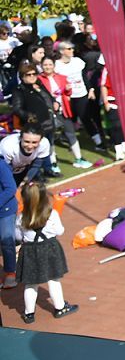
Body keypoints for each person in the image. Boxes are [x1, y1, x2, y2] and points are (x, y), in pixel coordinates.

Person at [16, 181, 78, 323]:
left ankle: (28, 314)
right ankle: (60, 307)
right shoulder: (52, 214)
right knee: (53, 279)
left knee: (30, 283)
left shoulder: (21, 217)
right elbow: (60, 231)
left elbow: (20, 237)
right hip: (49, 249)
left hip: (30, 251)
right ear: (44, 197)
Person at [39, 57, 91, 170]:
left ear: (54, 66)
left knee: (70, 133)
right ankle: (53, 163)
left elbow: (68, 92)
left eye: (50, 64)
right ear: (42, 66)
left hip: (64, 110)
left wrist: (68, 89)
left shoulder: (61, 77)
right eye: (45, 65)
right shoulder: (39, 80)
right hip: (48, 113)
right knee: (50, 137)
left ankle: (79, 158)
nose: (48, 67)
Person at [9, 61, 58, 176]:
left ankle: (48, 169)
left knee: (48, 146)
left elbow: (49, 97)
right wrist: (30, 117)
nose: (32, 77)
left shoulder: (38, 85)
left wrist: (55, 102)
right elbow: (17, 108)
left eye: (34, 74)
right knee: (33, 150)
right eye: (28, 75)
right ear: (22, 77)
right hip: (33, 126)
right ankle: (36, 175)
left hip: (47, 121)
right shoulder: (19, 90)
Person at [54, 41, 103, 148]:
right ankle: (64, 136)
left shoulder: (78, 61)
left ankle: (99, 142)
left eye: (72, 48)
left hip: (81, 93)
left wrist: (90, 89)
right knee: (70, 119)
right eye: (69, 49)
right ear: (62, 51)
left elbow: (84, 77)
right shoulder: (56, 65)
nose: (72, 51)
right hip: (66, 97)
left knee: (85, 117)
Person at [0, 156, 17, 289]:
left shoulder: (1, 165)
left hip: (5, 210)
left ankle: (11, 272)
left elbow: (11, 188)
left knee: (7, 241)